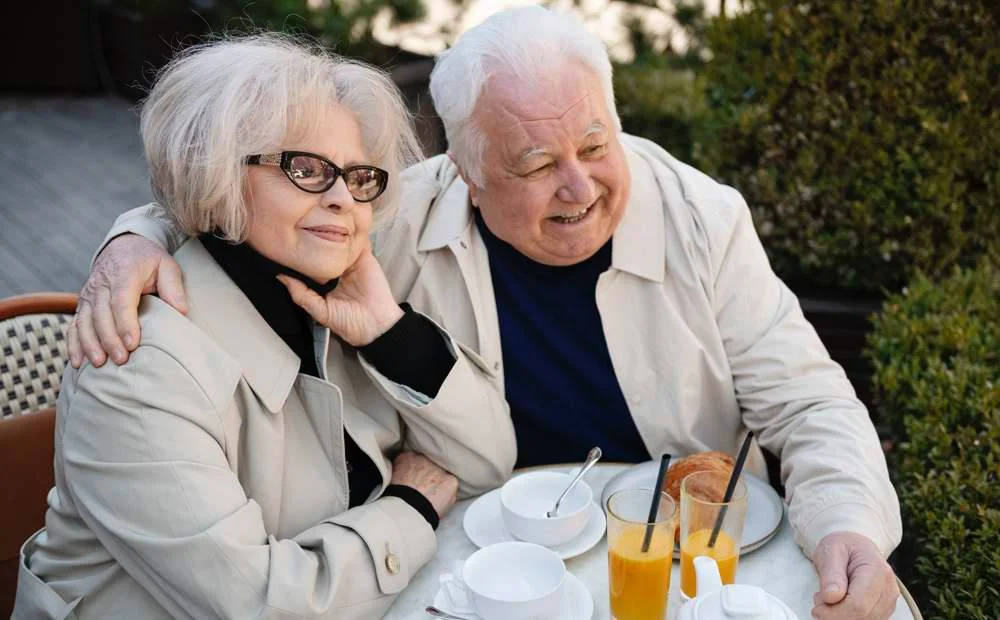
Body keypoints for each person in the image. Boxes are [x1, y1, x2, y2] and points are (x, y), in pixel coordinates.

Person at [70, 7, 903, 619]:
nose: (578, 186)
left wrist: (851, 526)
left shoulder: (701, 219)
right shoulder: (391, 215)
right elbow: (241, 196)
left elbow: (809, 402)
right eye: (535, 164)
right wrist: (139, 234)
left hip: (674, 563)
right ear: (462, 170)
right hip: (488, 566)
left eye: (596, 145)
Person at [14, 35, 516, 619]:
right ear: (216, 172)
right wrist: (410, 507)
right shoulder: (139, 367)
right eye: (306, 169)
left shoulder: (338, 288)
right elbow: (261, 607)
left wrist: (391, 333)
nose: (343, 199)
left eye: (358, 177)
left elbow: (487, 463)